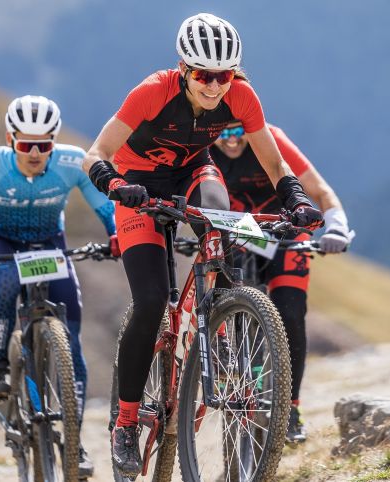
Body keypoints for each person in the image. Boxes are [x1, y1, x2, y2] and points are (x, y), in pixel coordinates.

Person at [80, 13, 323, 478]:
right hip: (138, 187)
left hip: (194, 172)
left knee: (221, 224)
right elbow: (97, 153)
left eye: (224, 75)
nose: (214, 86)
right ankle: (127, 423)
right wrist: (113, 183)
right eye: (203, 75)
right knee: (151, 302)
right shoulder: (152, 90)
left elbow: (274, 163)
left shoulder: (242, 96)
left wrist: (294, 198)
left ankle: (223, 314)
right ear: (183, 68)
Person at [0, 95, 116, 477]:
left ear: (54, 141)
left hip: (50, 246)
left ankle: (75, 440)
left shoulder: (71, 161)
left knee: (74, 341)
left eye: (43, 144)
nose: (34, 153)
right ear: (9, 138)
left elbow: (106, 207)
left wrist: (116, 234)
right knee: (8, 279)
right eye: (25, 144)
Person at [211, 121, 353, 444]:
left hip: (287, 235)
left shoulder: (270, 138)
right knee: (230, 303)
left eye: (237, 133)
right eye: (222, 134)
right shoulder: (205, 144)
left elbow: (320, 191)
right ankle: (234, 375)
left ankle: (290, 406)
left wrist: (336, 227)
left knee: (291, 313)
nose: (230, 142)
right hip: (240, 236)